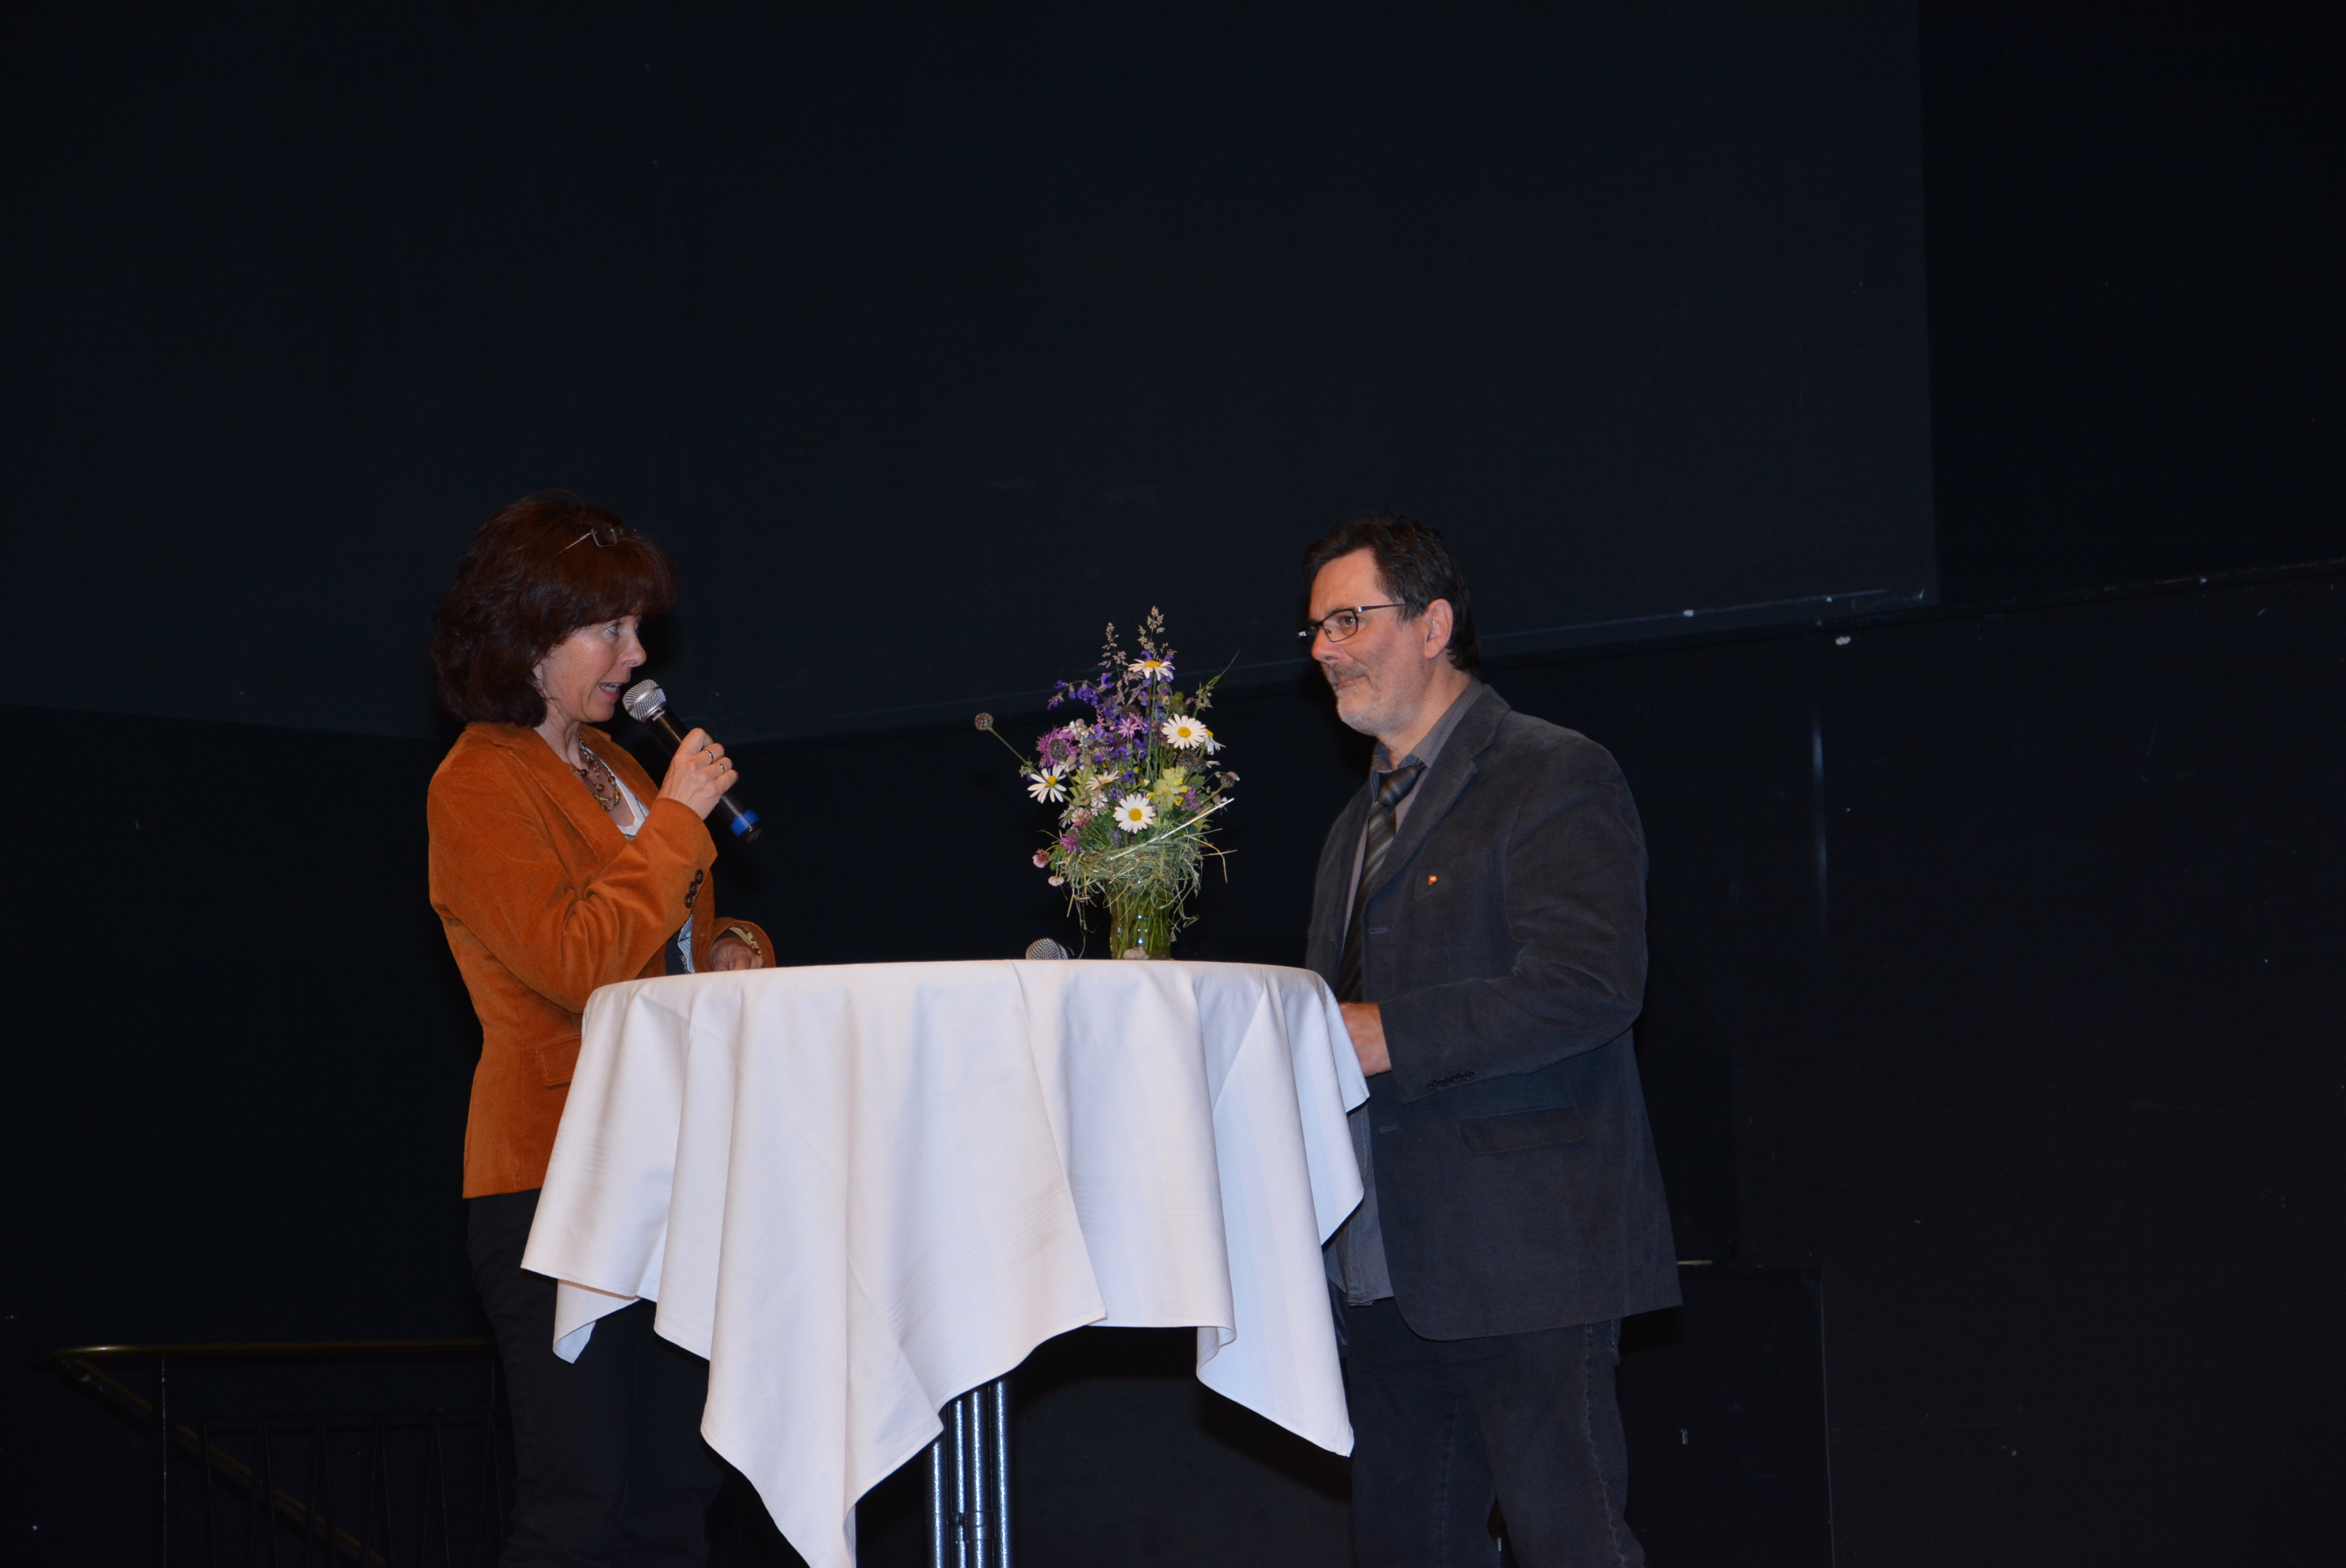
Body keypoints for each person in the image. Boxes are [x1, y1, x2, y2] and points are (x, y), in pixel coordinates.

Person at [1302, 514, 1678, 1568]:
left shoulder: (1552, 772)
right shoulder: (1351, 828)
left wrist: (1390, 1034)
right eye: (1316, 629)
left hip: (1525, 1257)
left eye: (1349, 619)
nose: (1325, 649)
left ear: (1433, 626)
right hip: (1380, 1263)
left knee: (1573, 1545)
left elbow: (1591, 985)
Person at [427, 492, 773, 1567]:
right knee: (582, 1504)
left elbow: (666, 940)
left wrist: (734, 944)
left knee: (676, 1497)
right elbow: (578, 965)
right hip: (555, 1180)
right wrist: (676, 823)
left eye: (637, 628)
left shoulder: (620, 770)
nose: (636, 655)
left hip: (674, 1170)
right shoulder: (478, 781)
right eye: (609, 629)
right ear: (530, 638)